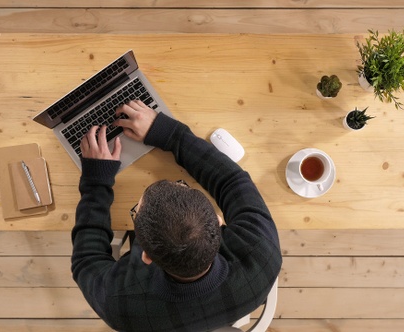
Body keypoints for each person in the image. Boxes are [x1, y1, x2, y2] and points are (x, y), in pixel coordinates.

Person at [71, 100, 282, 331]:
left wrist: (96, 180)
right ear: (218, 221)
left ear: (146, 257)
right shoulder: (263, 254)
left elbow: (86, 260)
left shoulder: (120, 306)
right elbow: (232, 181)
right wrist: (166, 132)